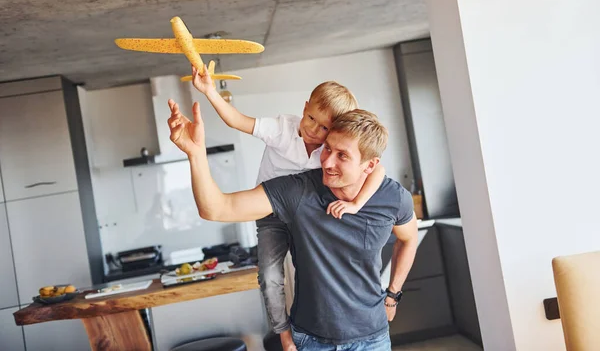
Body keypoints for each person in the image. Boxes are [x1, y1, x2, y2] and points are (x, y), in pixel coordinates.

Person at [167, 98, 419, 351]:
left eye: (342, 155)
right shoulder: (298, 190)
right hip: (310, 341)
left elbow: (409, 239)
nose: (328, 162)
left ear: (370, 165)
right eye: (328, 149)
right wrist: (196, 154)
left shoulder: (393, 198)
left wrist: (393, 294)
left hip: (372, 339)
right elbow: (217, 208)